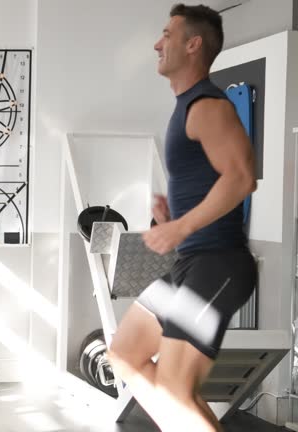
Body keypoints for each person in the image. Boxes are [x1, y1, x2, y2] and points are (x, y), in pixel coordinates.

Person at [107, 4, 258, 432]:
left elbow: (243, 178)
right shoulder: (186, 107)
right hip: (191, 263)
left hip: (219, 265)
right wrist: (175, 216)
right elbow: (216, 183)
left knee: (174, 386)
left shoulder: (208, 106)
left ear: (193, 45)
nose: (158, 43)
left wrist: (181, 226)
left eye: (167, 35)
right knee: (125, 353)